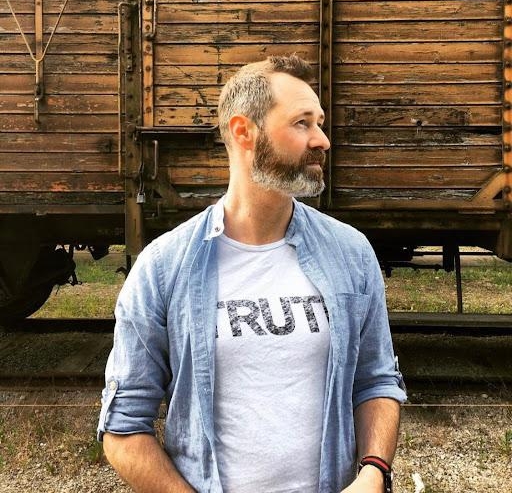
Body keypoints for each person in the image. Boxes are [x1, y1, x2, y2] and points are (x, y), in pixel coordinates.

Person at [97, 54, 407, 493]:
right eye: (302, 123)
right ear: (244, 132)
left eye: (319, 124)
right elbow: (123, 427)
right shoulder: (163, 267)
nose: (322, 140)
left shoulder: (350, 253)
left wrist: (374, 472)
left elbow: (376, 381)